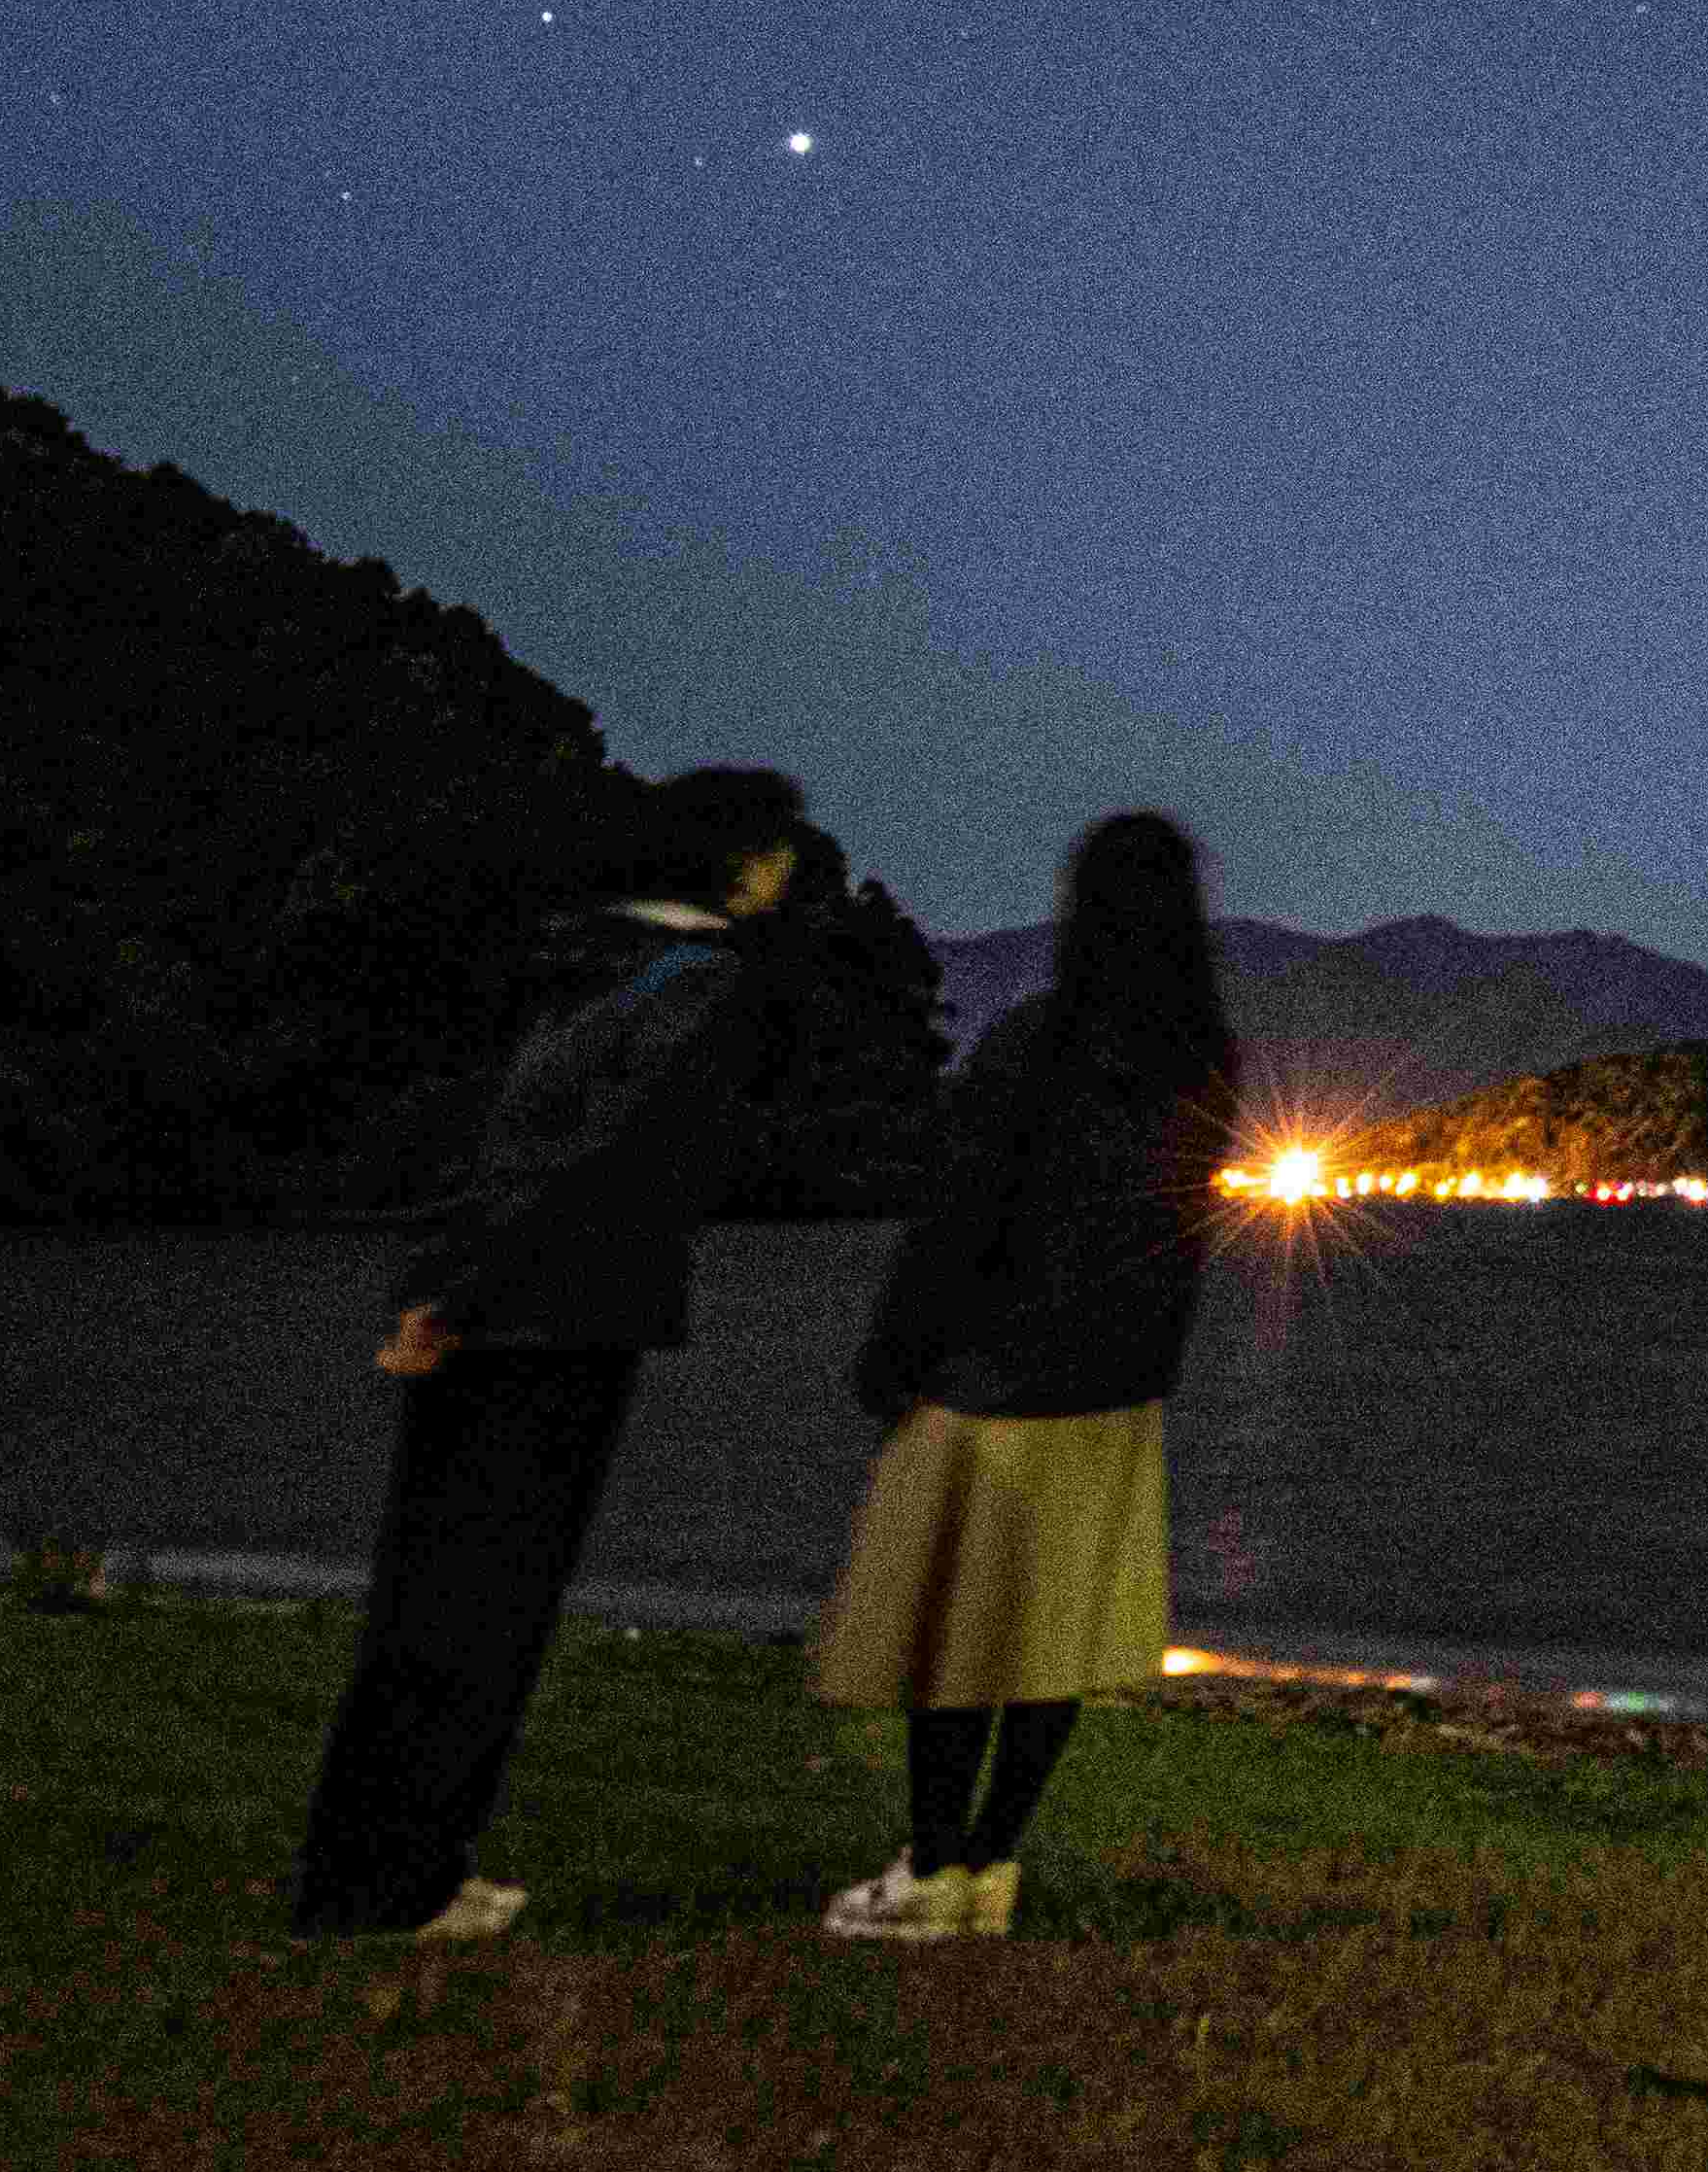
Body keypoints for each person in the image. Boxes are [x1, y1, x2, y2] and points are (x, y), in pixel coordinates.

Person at [284, 759, 827, 1941]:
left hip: (480, 1303)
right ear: (739, 863)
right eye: (781, 846)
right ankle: (402, 1882)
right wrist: (470, 1289)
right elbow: (607, 1161)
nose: (791, 868)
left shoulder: (577, 962)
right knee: (492, 1604)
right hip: (560, 1315)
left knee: (424, 1594)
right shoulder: (702, 986)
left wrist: (436, 1287)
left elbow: (492, 1142)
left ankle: (370, 1861)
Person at [804, 807, 1248, 1940]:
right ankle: (992, 1865)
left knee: (959, 1633)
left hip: (995, 1379)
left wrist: (896, 1354)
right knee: (1049, 1641)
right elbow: (1180, 1237)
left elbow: (961, 1214)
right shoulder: (1205, 1060)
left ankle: (932, 1869)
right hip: (1115, 1387)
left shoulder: (1036, 1040)